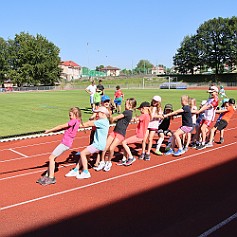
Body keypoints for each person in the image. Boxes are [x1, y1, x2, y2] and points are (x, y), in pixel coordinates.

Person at [37, 107, 82, 186]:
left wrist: (49, 130)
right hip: (66, 143)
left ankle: (51, 178)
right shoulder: (77, 121)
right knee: (53, 158)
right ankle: (47, 175)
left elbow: (61, 126)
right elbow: (62, 128)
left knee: (51, 158)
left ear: (76, 114)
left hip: (65, 143)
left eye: (70, 115)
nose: (69, 117)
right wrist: (53, 131)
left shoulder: (73, 121)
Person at [65, 106, 110, 179]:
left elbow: (88, 124)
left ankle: (86, 172)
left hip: (98, 145)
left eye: (98, 113)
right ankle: (76, 169)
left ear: (102, 113)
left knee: (82, 153)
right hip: (98, 144)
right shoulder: (105, 121)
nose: (96, 115)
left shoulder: (101, 122)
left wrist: (76, 124)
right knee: (85, 154)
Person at [95, 98, 137, 171]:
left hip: (120, 133)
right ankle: (102, 162)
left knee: (111, 148)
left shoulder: (128, 112)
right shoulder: (126, 112)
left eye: (126, 104)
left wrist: (108, 112)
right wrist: (109, 113)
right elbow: (112, 120)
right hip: (115, 131)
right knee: (105, 147)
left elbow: (114, 118)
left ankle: (108, 162)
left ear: (130, 105)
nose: (124, 105)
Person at [119, 101, 151, 166]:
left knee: (124, 142)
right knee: (125, 143)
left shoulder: (144, 115)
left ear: (144, 108)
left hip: (139, 135)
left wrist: (125, 119)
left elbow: (135, 119)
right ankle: (124, 159)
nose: (140, 111)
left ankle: (131, 157)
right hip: (141, 135)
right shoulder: (147, 116)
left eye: (140, 109)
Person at [195, 85, 219, 150]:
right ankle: (197, 142)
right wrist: (199, 111)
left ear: (216, 92)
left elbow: (208, 107)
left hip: (209, 117)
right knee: (199, 128)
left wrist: (199, 111)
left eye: (212, 92)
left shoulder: (216, 100)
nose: (210, 94)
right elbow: (205, 105)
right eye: (210, 93)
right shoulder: (209, 99)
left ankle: (203, 143)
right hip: (205, 116)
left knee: (203, 128)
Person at [140, 96, 163, 161]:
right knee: (144, 139)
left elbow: (161, 116)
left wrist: (152, 115)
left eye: (156, 101)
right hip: (147, 125)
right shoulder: (149, 107)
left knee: (150, 139)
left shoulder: (159, 109)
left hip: (154, 125)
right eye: (153, 100)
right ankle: (143, 152)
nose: (154, 102)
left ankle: (148, 153)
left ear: (158, 102)